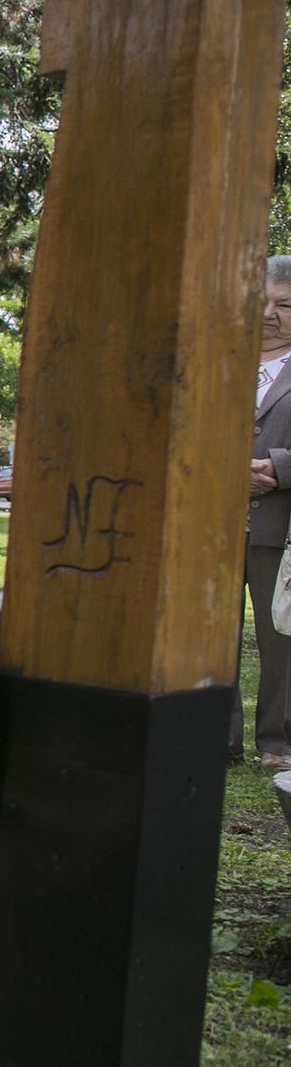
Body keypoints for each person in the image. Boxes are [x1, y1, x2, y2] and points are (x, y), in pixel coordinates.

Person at [245, 256, 291, 767]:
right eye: (261, 302)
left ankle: (277, 742)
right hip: (214, 523)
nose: (269, 314)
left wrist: (277, 469)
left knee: (279, 638)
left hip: (279, 525)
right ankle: (218, 735)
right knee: (210, 636)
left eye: (284, 304)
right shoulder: (220, 365)